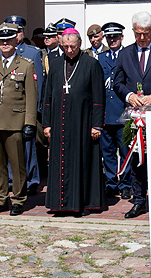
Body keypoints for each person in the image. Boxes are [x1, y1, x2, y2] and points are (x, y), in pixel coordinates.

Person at [41, 29, 106, 215]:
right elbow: (47, 96)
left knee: (82, 161)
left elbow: (98, 97)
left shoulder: (91, 64)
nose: (69, 50)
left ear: (79, 45)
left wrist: (96, 125)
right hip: (58, 122)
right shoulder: (55, 65)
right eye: (66, 46)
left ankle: (82, 203)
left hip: (83, 123)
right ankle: (60, 204)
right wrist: (46, 124)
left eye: (73, 46)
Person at [0, 24, 38, 216]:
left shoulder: (26, 64)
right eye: (1, 40)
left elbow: (31, 96)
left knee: (17, 163)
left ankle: (18, 199)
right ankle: (0, 198)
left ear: (16, 40)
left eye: (9, 39)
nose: (4, 43)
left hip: (15, 121)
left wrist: (29, 123)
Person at [114, 12, 151, 218]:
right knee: (136, 159)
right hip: (133, 117)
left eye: (146, 34)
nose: (142, 38)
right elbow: (117, 82)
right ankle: (139, 200)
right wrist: (129, 96)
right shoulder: (125, 54)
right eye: (138, 34)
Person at [0, 15, 44, 193]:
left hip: (25, 108)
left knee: (28, 146)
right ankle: (11, 179)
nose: (15, 35)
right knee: (7, 148)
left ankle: (32, 179)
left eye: (18, 31)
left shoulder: (33, 52)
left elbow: (38, 83)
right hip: (5, 109)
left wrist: (36, 109)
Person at [97, 23, 130, 199]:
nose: (112, 40)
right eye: (109, 37)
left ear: (122, 37)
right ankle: (111, 182)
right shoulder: (101, 58)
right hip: (105, 112)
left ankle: (125, 183)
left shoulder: (128, 55)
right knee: (107, 151)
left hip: (122, 111)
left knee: (125, 151)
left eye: (115, 37)